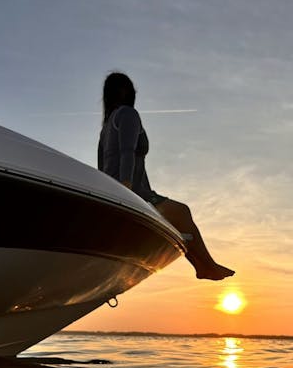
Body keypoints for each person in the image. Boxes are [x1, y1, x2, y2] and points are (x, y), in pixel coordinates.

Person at [98, 72, 234, 281]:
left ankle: (203, 266)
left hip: (116, 191)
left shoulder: (105, 128)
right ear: (125, 92)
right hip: (134, 192)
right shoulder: (127, 114)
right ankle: (207, 266)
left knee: (178, 219)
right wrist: (126, 191)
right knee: (183, 212)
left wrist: (110, 194)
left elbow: (102, 169)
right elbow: (127, 151)